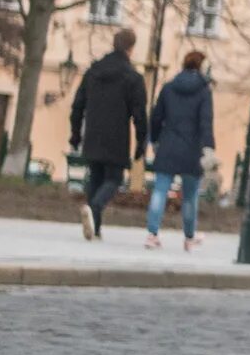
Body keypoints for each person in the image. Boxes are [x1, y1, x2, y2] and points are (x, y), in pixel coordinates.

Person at [67, 28, 149, 239]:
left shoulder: (93, 72)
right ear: (131, 48)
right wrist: (141, 142)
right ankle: (94, 208)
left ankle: (96, 227)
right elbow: (139, 113)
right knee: (113, 178)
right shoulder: (132, 77)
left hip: (92, 133)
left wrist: (75, 134)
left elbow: (78, 106)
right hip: (117, 137)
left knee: (95, 177)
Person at [142, 49, 214, 250]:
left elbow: (157, 117)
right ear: (201, 67)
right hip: (192, 149)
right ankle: (189, 238)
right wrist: (208, 147)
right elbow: (205, 121)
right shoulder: (204, 92)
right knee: (190, 197)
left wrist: (155, 140)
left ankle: (152, 234)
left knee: (160, 191)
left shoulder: (168, 88)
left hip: (169, 145)